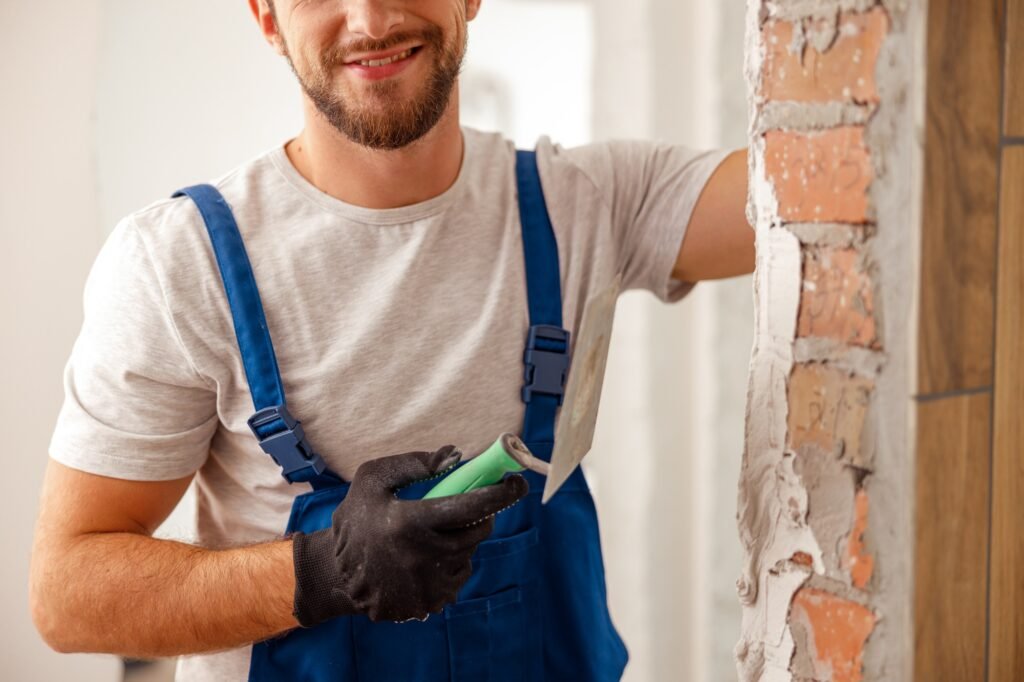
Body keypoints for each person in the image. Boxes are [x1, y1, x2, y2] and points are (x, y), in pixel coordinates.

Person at [29, 1, 754, 680]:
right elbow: (68, 595)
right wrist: (322, 572)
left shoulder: (587, 206)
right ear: (266, 17)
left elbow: (830, 189)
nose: (370, 20)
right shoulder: (181, 264)